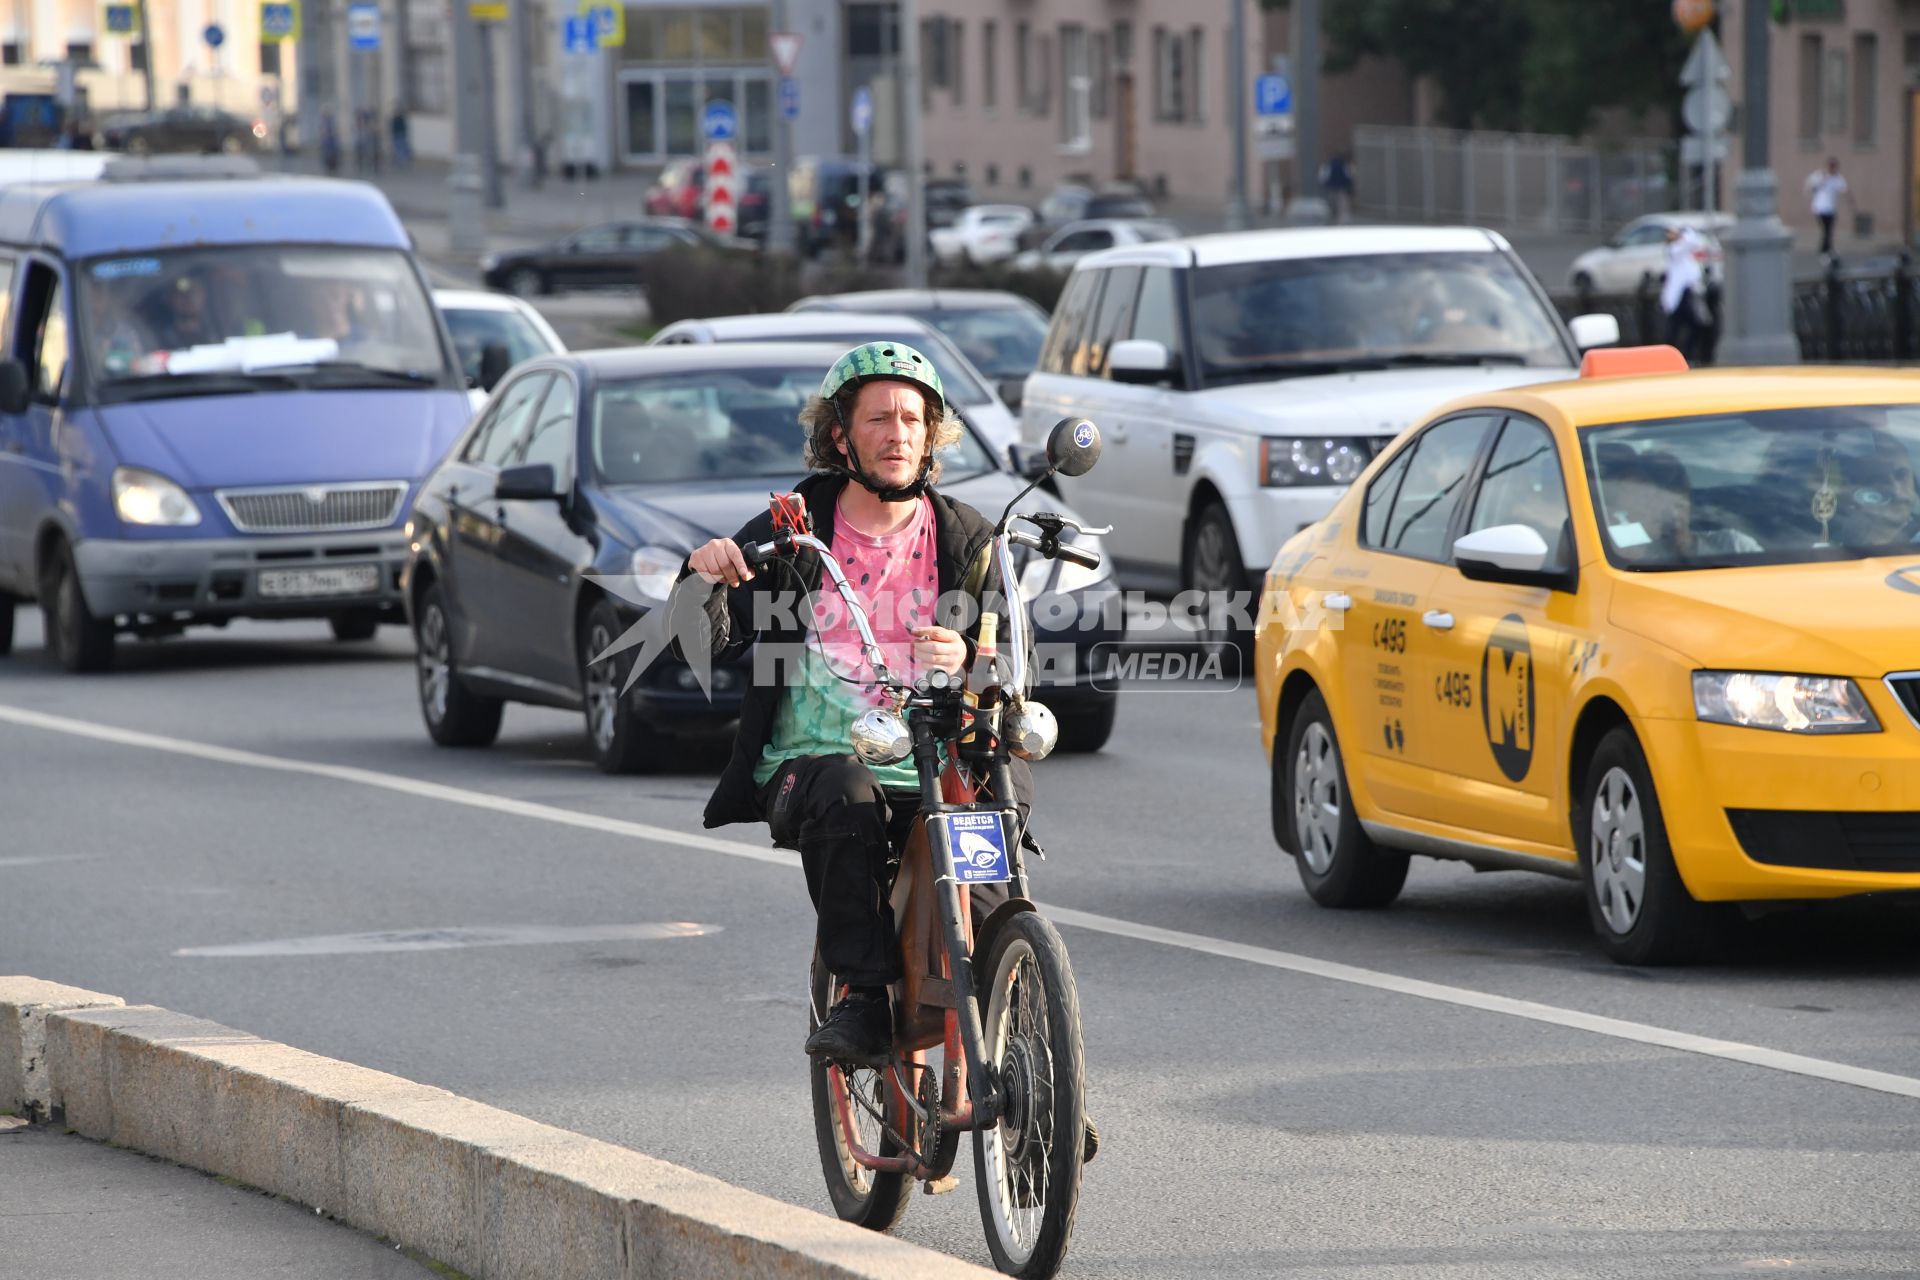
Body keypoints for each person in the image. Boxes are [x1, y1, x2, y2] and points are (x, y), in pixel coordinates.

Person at [682, 342, 1025, 1063]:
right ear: (841, 435)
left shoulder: (967, 535)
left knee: (994, 846)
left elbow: (1004, 666)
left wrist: (968, 660)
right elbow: (705, 637)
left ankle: (1033, 1058)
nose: (897, 433)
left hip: (935, 760)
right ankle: (864, 999)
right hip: (813, 763)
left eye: (912, 418)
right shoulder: (793, 525)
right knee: (846, 790)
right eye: (878, 419)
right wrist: (705, 577)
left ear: (932, 436)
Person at [1597, 447, 1762, 563]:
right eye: (1654, 500)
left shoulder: (1733, 546)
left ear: (1688, 501)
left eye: (1678, 499)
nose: (1670, 511)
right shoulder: (1622, 557)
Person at [1659, 224, 1710, 366]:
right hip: (1679, 296)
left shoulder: (1684, 252)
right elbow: (1691, 242)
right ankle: (1673, 357)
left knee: (1693, 326)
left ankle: (1688, 355)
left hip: (1689, 292)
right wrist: (1683, 235)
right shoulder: (1673, 250)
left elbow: (1696, 242)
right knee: (1677, 327)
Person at [1804, 156, 1853, 256]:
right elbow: (1811, 188)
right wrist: (1823, 179)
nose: (1832, 168)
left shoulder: (1838, 178)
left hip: (1831, 209)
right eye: (1830, 166)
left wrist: (1850, 200)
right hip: (1820, 208)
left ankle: (1826, 249)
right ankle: (1825, 250)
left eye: (1834, 166)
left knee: (1829, 230)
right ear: (1827, 166)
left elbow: (1844, 189)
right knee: (1826, 230)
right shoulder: (1819, 175)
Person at [1320, 150, 1356, 223]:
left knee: (1331, 205)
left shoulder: (1328, 164)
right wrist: (1349, 187)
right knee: (1342, 206)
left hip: (1330, 188)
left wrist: (1324, 186)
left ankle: (1331, 219)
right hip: (1342, 188)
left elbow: (1323, 176)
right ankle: (1341, 221)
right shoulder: (1345, 164)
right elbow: (1349, 176)